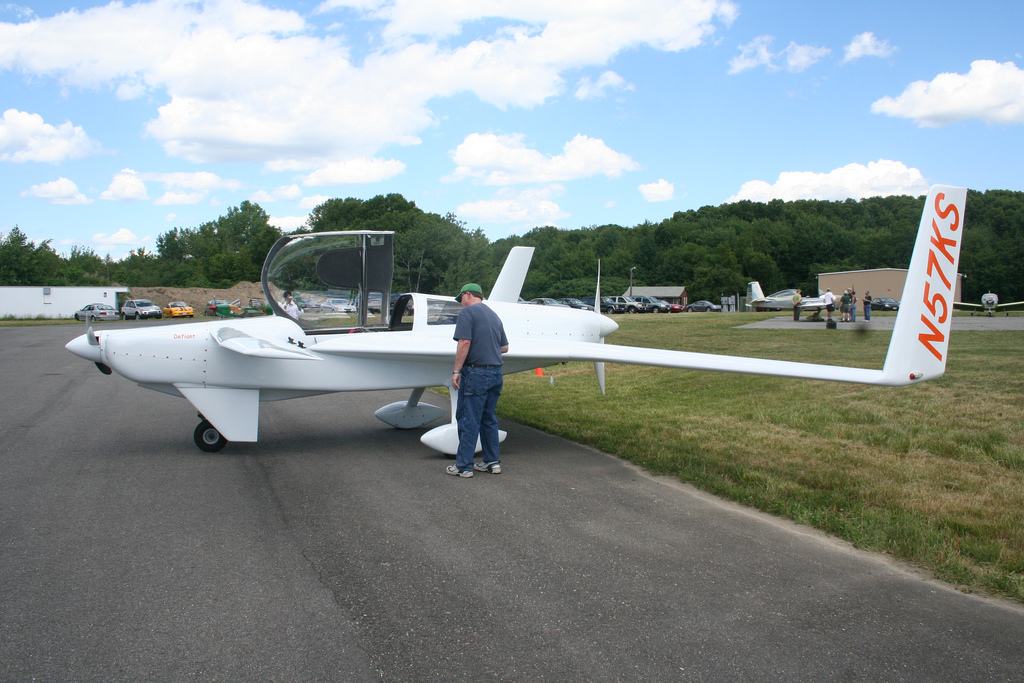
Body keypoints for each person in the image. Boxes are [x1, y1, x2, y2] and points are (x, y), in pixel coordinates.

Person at [449, 283, 509, 478]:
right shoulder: (494, 315)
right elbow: (504, 347)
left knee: (468, 418)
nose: (461, 304)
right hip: (495, 374)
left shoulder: (468, 313)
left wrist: (456, 370)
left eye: (461, 299)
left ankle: (463, 466)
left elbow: (464, 342)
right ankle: (492, 463)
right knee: (488, 418)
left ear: (468, 295)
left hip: (475, 374)